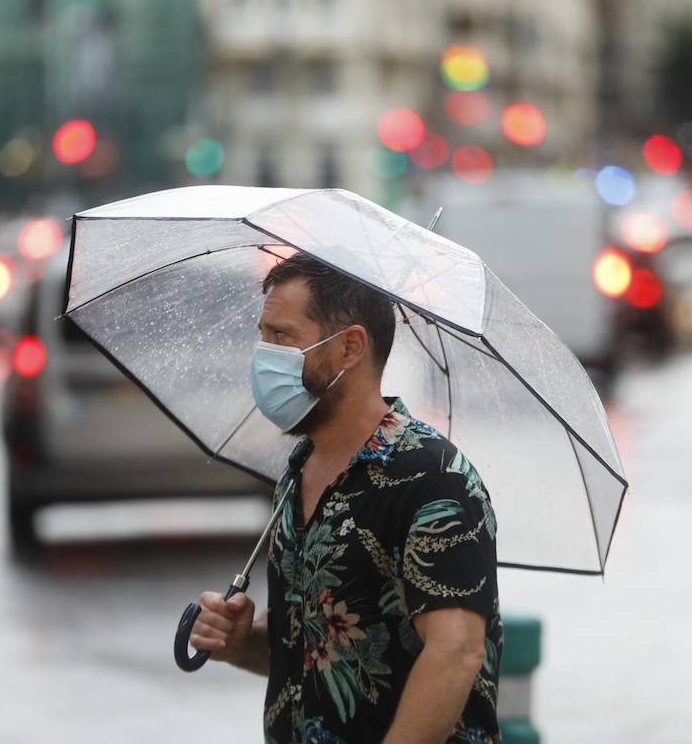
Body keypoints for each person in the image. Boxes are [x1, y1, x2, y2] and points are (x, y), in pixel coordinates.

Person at [191, 253, 503, 744]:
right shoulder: (297, 473)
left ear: (349, 348)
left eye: (282, 337)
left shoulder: (433, 478)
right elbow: (317, 652)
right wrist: (241, 643)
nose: (263, 354)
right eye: (263, 334)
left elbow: (456, 652)